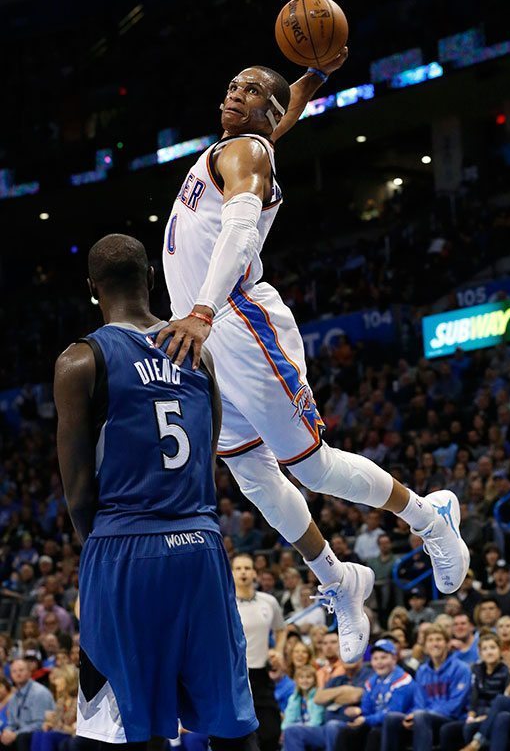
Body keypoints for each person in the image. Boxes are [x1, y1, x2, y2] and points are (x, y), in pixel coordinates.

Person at [157, 54, 470, 663]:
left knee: (315, 468)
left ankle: (431, 518)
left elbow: (242, 231)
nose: (233, 92)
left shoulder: (249, 152)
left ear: (264, 114)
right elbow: (276, 117)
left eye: (249, 89)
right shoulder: (240, 144)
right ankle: (339, 580)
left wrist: (199, 312)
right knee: (256, 480)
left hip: (234, 322)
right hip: (208, 336)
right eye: (232, 82)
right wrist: (311, 80)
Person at [53, 235, 259, 750]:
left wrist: (108, 550)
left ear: (92, 289)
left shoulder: (79, 361)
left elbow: (78, 492)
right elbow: (207, 454)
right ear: (150, 277)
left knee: (125, 731)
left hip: (125, 549)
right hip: (200, 544)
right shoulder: (197, 355)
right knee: (231, 725)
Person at [381, 625, 472, 751]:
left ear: (447, 644)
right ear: (425, 647)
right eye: (430, 640)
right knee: (392, 718)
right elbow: (419, 702)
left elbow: (455, 705)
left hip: (453, 718)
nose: (435, 644)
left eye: (439, 639)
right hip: (424, 717)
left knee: (420, 716)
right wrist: (413, 716)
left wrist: (422, 715)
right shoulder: (422, 671)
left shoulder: (461, 668)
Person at [232, 553, 286, 751]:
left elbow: (281, 629)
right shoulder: (226, 604)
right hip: (235, 677)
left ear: (255, 573)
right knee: (243, 737)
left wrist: (278, 651)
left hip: (262, 674)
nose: (243, 572)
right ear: (231, 573)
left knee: (271, 732)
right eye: (238, 568)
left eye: (247, 568)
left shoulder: (268, 601)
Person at [333, 639, 415, 751]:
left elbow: (394, 712)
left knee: (375, 733)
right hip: (376, 722)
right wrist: (360, 712)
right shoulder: (372, 681)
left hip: (401, 727)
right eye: (375, 659)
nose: (379, 662)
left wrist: (366, 720)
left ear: (394, 659)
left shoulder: (403, 680)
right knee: (346, 732)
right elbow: (367, 709)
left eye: (383, 657)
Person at [439, 632, 510, 751]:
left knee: (470, 728)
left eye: (493, 647)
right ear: (480, 653)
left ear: (500, 650)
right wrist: (471, 715)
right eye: (485, 649)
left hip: (496, 716)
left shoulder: (506, 671)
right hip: (477, 715)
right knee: (447, 730)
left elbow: (505, 700)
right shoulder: (476, 669)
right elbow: (474, 696)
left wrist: (485, 717)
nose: (489, 652)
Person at [1, 660, 55, 751]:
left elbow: (40, 723)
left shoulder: (39, 693)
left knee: (22, 738)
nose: (18, 674)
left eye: (21, 670)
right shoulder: (13, 698)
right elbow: (11, 723)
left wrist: (16, 734)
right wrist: (7, 731)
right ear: (11, 675)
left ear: (29, 672)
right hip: (20, 734)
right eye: (14, 671)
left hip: (39, 733)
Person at [281, 666, 324, 733]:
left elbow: (316, 721)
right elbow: (288, 720)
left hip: (314, 731)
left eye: (308, 677)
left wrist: (299, 729)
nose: (305, 680)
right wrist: (284, 730)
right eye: (301, 677)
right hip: (298, 730)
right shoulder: (293, 698)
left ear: (315, 680)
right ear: (297, 680)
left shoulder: (318, 696)